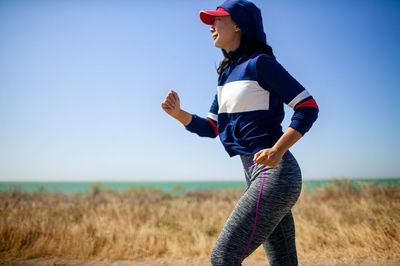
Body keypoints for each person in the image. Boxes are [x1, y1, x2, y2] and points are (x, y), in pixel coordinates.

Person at [161, 0, 319, 265]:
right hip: (254, 174)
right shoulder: (225, 76)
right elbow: (211, 127)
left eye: (217, 19)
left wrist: (278, 149)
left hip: (276, 175)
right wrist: (179, 114)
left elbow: (307, 106)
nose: (211, 26)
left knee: (223, 257)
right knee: (283, 262)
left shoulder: (261, 64)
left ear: (237, 24)